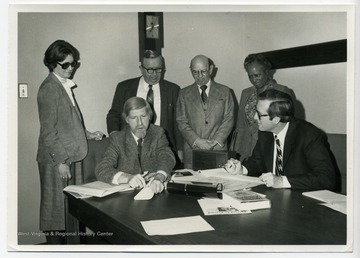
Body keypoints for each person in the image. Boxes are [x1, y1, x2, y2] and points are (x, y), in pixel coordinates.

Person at [36, 40, 104, 244]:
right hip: (56, 158)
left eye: (73, 63)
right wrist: (61, 162)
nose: (71, 68)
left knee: (69, 210)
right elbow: (48, 131)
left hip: (69, 156)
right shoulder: (49, 88)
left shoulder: (63, 85)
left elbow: (67, 122)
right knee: (54, 214)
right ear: (52, 64)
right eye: (65, 65)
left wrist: (88, 134)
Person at [224, 89, 336, 191]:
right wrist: (242, 169)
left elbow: (327, 179)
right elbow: (257, 162)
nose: (254, 117)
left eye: (259, 114)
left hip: (302, 200)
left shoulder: (309, 135)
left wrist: (282, 181)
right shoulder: (265, 132)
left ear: (276, 119)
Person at [106, 50, 182, 165]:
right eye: (150, 70)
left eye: (158, 69)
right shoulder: (124, 87)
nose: (154, 74)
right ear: (141, 69)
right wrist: (115, 137)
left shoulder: (173, 90)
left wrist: (180, 150)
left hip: (163, 149)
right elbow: (114, 114)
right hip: (130, 149)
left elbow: (178, 123)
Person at [96, 97, 176, 194]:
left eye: (143, 116)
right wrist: (127, 177)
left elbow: (167, 156)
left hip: (154, 192)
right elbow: (102, 169)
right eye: (134, 118)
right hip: (126, 197)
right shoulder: (118, 138)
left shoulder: (158, 133)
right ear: (127, 119)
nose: (140, 123)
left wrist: (159, 177)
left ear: (150, 116)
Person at [231, 53, 297, 161]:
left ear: (267, 72)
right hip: (244, 151)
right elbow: (240, 127)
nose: (253, 79)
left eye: (257, 75)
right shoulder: (245, 93)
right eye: (250, 76)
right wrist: (234, 153)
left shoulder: (282, 91)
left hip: (268, 150)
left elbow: (289, 126)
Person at [176, 55, 235, 169]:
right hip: (192, 150)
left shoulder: (225, 92)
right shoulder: (184, 93)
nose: (199, 76)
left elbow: (229, 119)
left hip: (218, 149)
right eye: (195, 72)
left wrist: (216, 140)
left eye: (203, 71)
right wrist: (197, 141)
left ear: (211, 69)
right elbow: (181, 122)